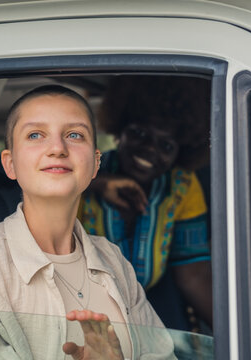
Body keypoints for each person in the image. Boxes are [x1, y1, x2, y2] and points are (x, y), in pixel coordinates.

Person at [0, 85, 174, 360]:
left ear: (96, 163)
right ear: (10, 164)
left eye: (75, 135)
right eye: (35, 135)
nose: (57, 148)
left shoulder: (113, 260)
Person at [78, 76, 213, 329]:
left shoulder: (182, 186)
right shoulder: (82, 173)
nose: (149, 149)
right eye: (139, 133)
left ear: (181, 151)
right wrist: (96, 182)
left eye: (166, 144)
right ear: (119, 130)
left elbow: (193, 274)